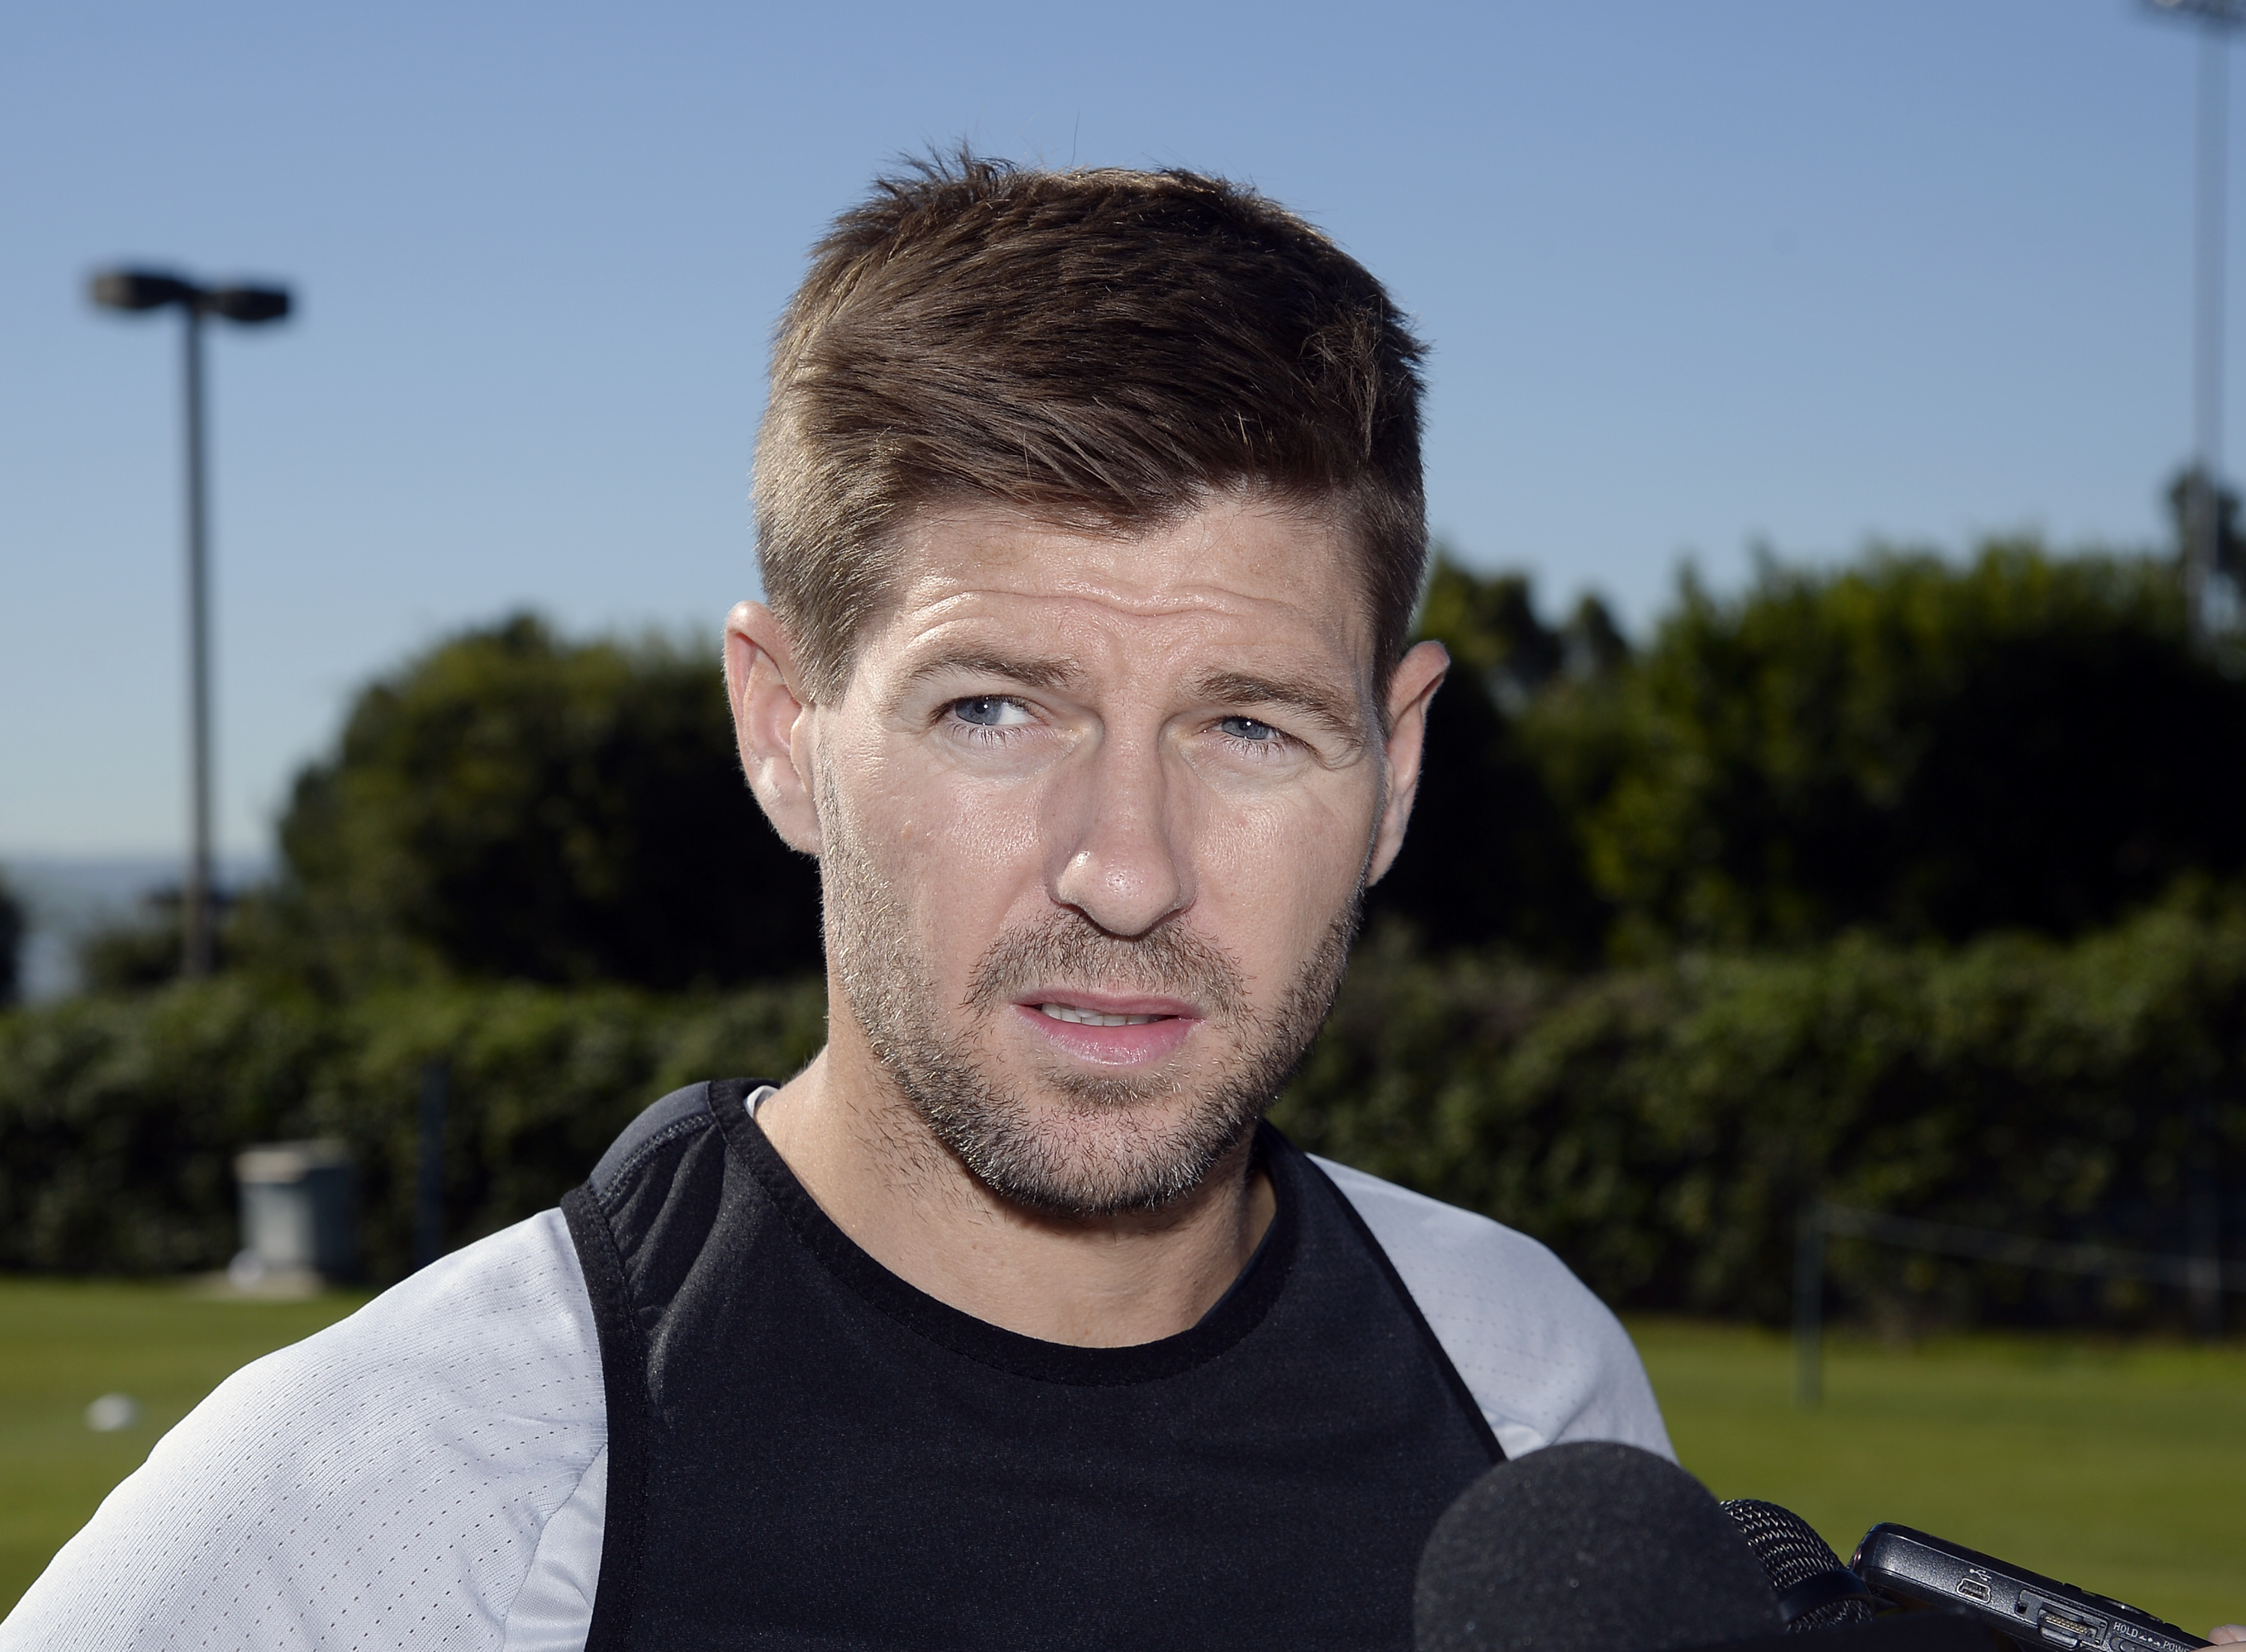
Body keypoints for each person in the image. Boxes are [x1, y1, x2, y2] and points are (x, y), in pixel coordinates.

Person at [6, 155, 1673, 1652]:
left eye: (1248, 724)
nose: (1127, 870)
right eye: (994, 711)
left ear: (1393, 766)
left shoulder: (1531, 1392)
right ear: (783, 730)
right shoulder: (401, 1501)